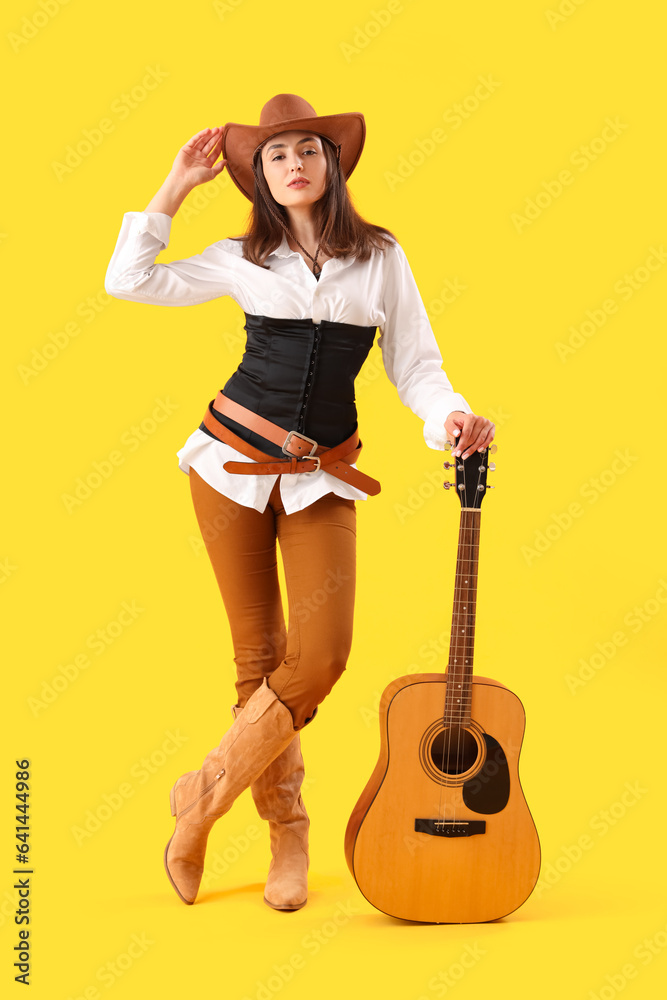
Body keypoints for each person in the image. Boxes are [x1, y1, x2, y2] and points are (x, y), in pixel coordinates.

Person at [104, 93, 495, 911]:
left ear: (333, 164)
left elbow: (416, 366)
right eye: (275, 156)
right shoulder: (237, 257)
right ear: (258, 177)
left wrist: (445, 416)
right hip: (225, 466)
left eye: (307, 151)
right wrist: (173, 187)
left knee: (317, 658)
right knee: (257, 664)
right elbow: (128, 280)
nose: (293, 165)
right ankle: (288, 833)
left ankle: (198, 807)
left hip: (323, 473)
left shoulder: (380, 256)